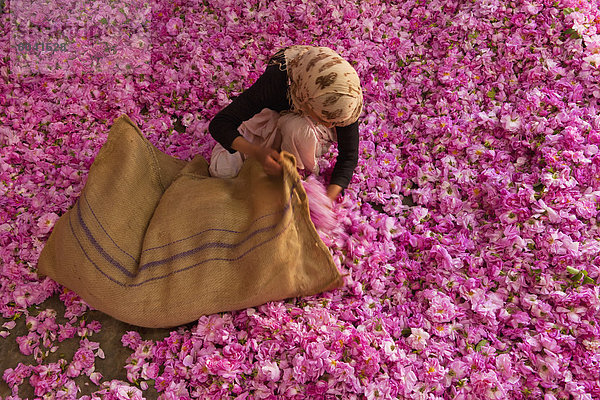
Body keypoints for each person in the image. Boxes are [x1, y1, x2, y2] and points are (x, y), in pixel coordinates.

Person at [208, 45, 363, 201]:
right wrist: (257, 152)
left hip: (301, 128)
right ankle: (277, 145)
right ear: (307, 101)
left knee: (297, 128)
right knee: (223, 171)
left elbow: (348, 156)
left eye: (334, 122)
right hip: (272, 115)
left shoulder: (344, 98)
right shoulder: (277, 81)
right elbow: (220, 124)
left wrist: (327, 201)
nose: (330, 126)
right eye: (325, 120)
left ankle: (297, 163)